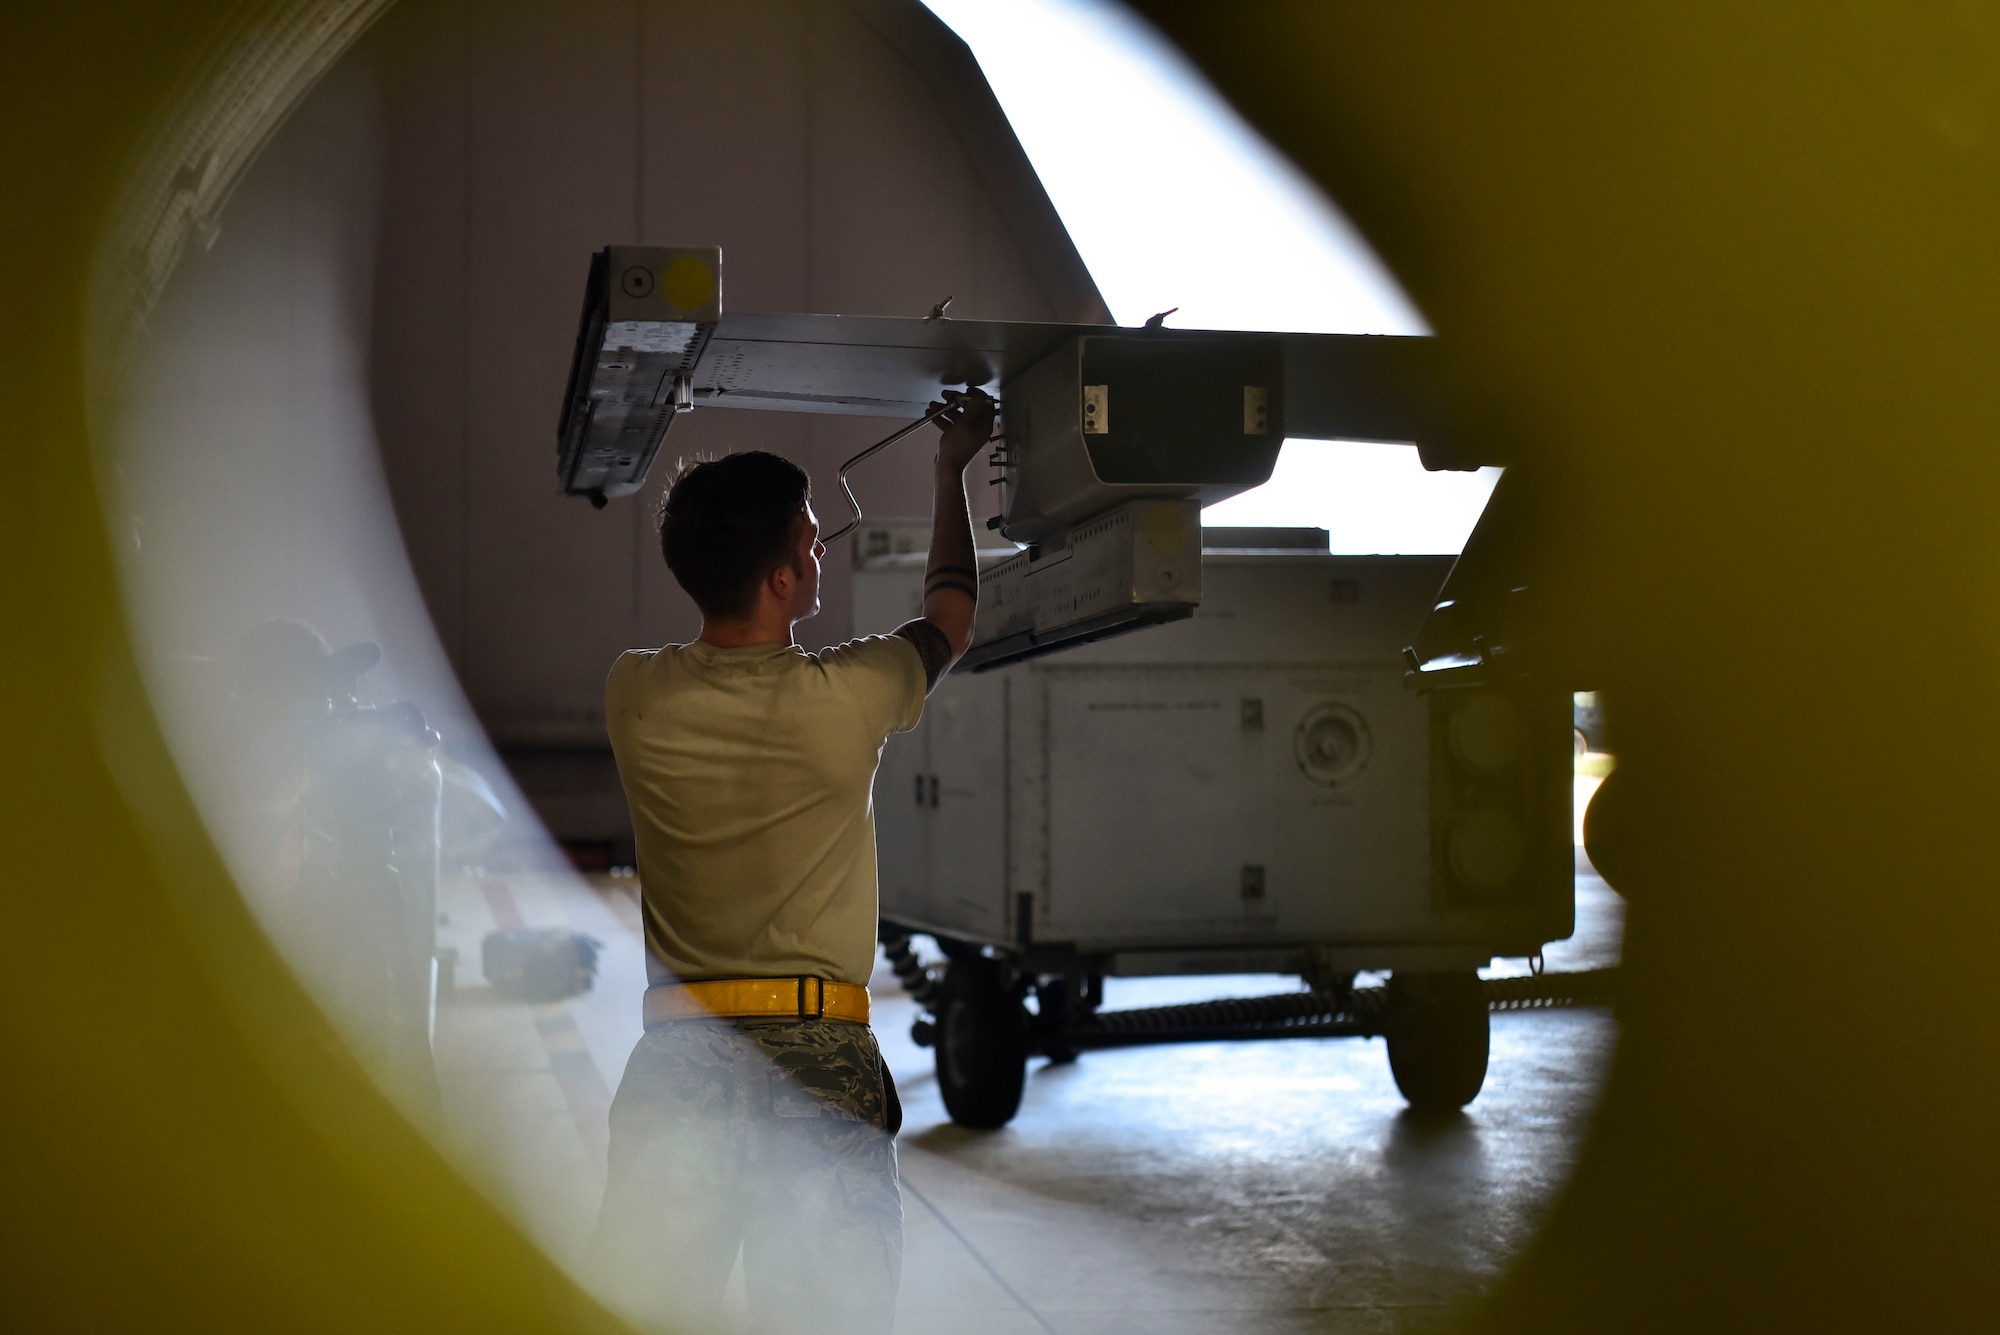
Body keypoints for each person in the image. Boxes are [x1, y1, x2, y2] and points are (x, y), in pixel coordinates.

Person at [590, 389, 994, 1334]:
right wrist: (951, 468)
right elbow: (950, 616)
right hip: (820, 1066)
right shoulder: (851, 693)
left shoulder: (634, 692)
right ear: (780, 579)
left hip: (678, 1063)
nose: (820, 552)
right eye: (811, 543)